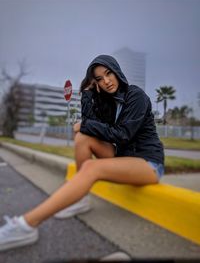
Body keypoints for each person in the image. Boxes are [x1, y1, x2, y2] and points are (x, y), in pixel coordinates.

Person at [0, 54, 164, 252]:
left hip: (147, 162)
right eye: (99, 79)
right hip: (123, 157)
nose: (106, 81)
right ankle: (81, 200)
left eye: (109, 73)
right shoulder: (108, 102)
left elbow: (122, 135)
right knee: (82, 138)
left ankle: (26, 225)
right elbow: (87, 128)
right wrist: (87, 95)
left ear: (117, 71)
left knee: (91, 167)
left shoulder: (135, 95)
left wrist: (84, 124)